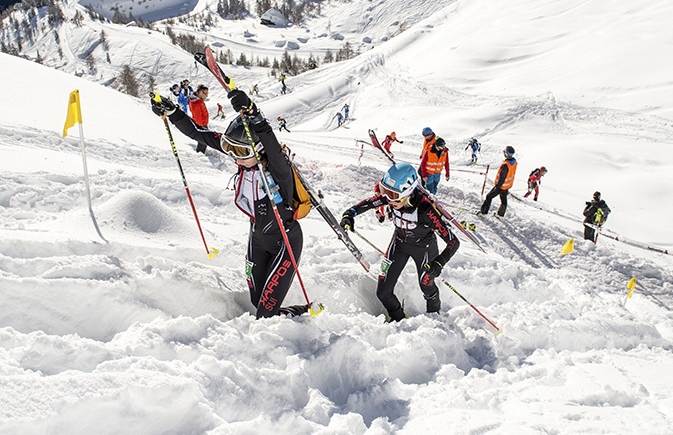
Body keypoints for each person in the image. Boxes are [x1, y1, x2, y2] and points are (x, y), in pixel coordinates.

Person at [150, 89, 306, 319]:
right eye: (230, 149)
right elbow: (198, 132)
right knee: (257, 300)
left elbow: (269, 139)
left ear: (259, 148)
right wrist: (173, 112)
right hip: (258, 239)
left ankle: (302, 316)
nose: (234, 156)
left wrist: (254, 114)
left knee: (265, 312)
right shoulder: (243, 161)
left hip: (285, 242)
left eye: (240, 151)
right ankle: (292, 316)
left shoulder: (277, 168)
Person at [339, 163, 460, 322]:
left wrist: (439, 263)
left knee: (426, 285)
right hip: (399, 244)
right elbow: (368, 203)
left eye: (393, 195)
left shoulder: (425, 210)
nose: (388, 198)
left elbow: (453, 241)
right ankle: (399, 320)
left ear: (408, 193)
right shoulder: (391, 198)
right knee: (383, 292)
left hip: (424, 248)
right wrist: (349, 214)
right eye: (385, 191)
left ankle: (434, 319)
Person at [478, 146, 517, 217]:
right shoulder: (514, 163)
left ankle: (483, 212)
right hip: (507, 186)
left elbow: (502, 178)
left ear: (506, 154)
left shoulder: (505, 165)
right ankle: (500, 214)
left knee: (489, 196)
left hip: (501, 186)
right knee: (503, 200)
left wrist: (497, 187)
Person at [188, 84, 210, 153]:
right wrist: (202, 127)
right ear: (200, 92)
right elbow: (198, 116)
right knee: (203, 141)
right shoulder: (197, 103)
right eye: (205, 93)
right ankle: (200, 155)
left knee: (204, 141)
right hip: (201, 125)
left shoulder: (197, 101)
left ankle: (201, 153)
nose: (206, 96)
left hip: (202, 124)